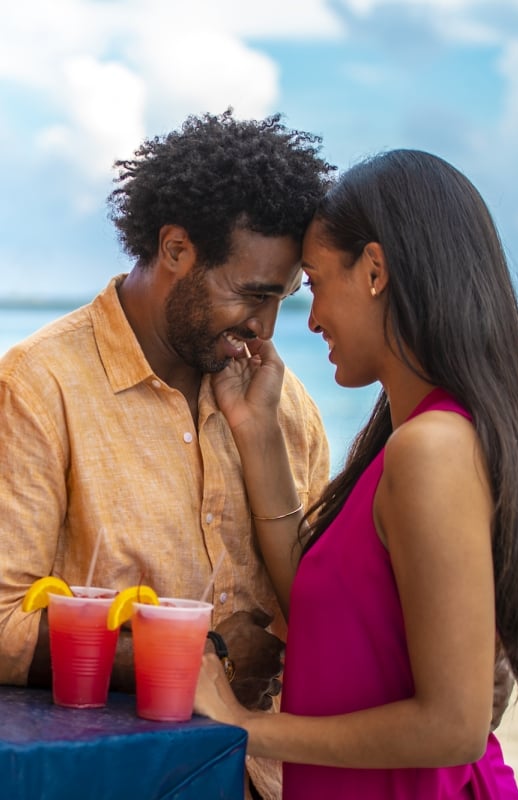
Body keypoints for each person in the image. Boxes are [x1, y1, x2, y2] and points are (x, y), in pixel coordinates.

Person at [195, 149, 518, 799]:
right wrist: (259, 434)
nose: (311, 318)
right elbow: (330, 613)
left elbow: (453, 727)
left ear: (374, 270)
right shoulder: (410, 443)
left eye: (314, 283)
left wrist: (247, 726)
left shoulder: (431, 447)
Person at [0, 110, 336, 800]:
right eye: (251, 294)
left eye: (284, 298)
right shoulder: (39, 386)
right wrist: (186, 657)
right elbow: (2, 619)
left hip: (270, 778)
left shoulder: (288, 407)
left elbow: (323, 603)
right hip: (118, 779)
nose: (266, 328)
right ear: (177, 249)